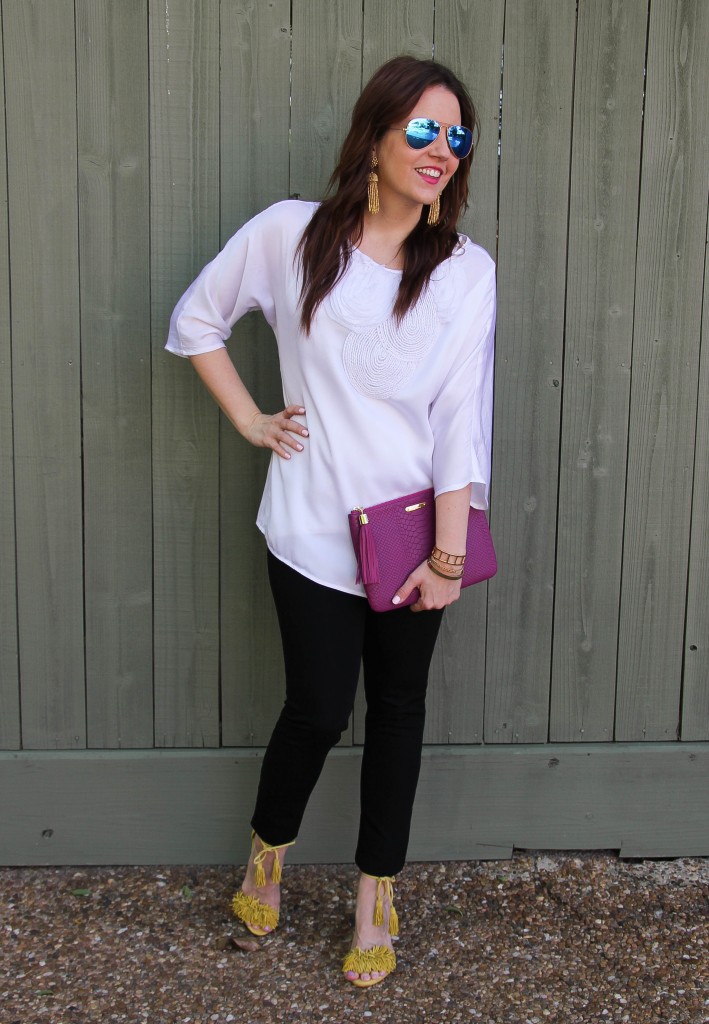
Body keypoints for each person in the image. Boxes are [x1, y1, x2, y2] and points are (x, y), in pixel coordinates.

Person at [166, 54, 496, 988]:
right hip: (310, 528)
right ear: (377, 135)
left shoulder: (465, 274)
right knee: (315, 709)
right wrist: (250, 420)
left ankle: (374, 900)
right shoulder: (291, 235)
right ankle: (266, 859)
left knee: (398, 713)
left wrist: (447, 555)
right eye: (423, 130)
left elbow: (459, 425)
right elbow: (198, 320)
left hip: (412, 545)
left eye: (457, 136)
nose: (441, 150)